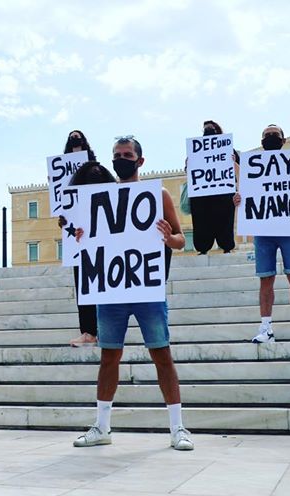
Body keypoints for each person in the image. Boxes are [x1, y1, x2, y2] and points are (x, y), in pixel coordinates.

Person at [73, 136, 194, 451]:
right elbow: (85, 242)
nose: (120, 159)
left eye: (127, 154)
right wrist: (81, 237)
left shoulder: (158, 194)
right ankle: (102, 426)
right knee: (109, 356)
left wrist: (169, 238)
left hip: (146, 287)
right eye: (116, 154)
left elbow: (181, 239)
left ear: (140, 161)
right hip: (112, 290)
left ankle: (178, 428)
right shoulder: (101, 198)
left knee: (161, 354)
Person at [233, 125, 290, 344]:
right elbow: (246, 195)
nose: (270, 138)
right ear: (262, 141)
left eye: (274, 136)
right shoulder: (252, 167)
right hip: (263, 230)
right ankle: (265, 328)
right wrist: (238, 200)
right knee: (266, 279)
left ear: (283, 141)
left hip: (288, 228)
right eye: (266, 136)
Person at [58, 131, 101, 347]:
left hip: (99, 231)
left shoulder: (96, 169)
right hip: (75, 236)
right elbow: (64, 206)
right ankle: (87, 331)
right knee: (82, 285)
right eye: (72, 137)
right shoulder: (63, 175)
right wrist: (63, 219)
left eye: (78, 137)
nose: (75, 139)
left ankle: (100, 329)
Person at [189, 120, 238, 254]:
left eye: (211, 129)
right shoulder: (196, 150)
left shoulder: (229, 149)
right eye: (205, 130)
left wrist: (233, 161)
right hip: (201, 195)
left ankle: (227, 247)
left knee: (225, 220)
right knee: (201, 222)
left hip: (224, 193)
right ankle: (202, 248)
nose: (208, 132)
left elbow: (239, 172)